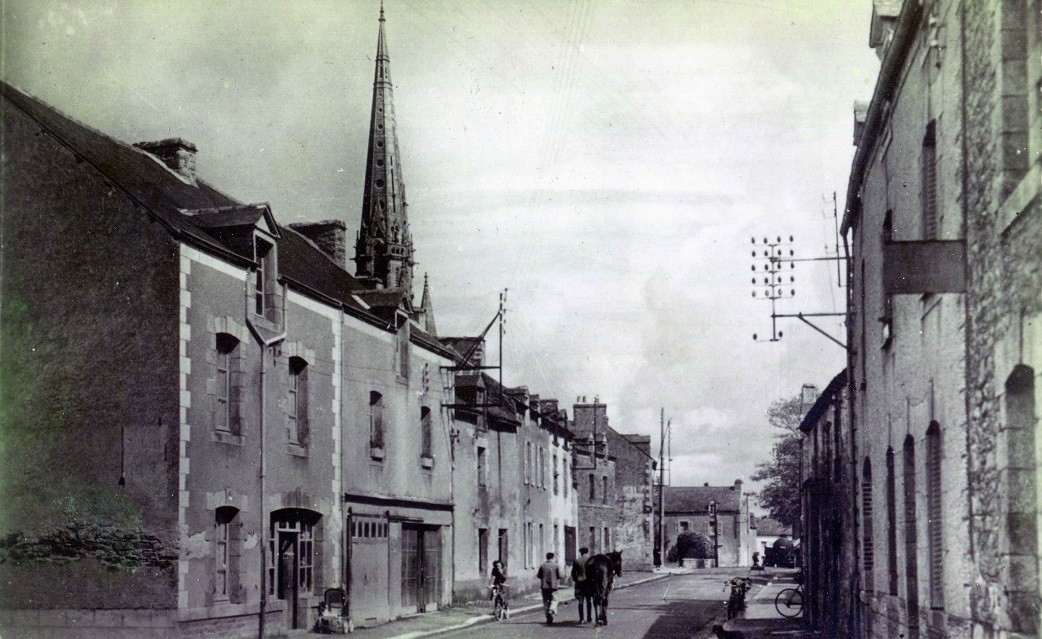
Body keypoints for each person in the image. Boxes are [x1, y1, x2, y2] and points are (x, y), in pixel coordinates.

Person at [536, 552, 564, 624]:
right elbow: (560, 576)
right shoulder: (556, 565)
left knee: (545, 601)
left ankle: (548, 616)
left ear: (546, 557)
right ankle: (551, 610)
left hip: (544, 586)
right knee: (554, 599)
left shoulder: (542, 566)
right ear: (553, 557)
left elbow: (539, 576)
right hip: (554, 586)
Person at [571, 547, 593, 623]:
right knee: (589, 601)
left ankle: (581, 619)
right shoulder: (591, 560)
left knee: (580, 601)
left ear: (580, 552)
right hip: (589, 583)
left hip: (579, 583)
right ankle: (589, 617)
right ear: (587, 552)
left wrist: (576, 580)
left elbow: (573, 573)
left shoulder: (577, 561)